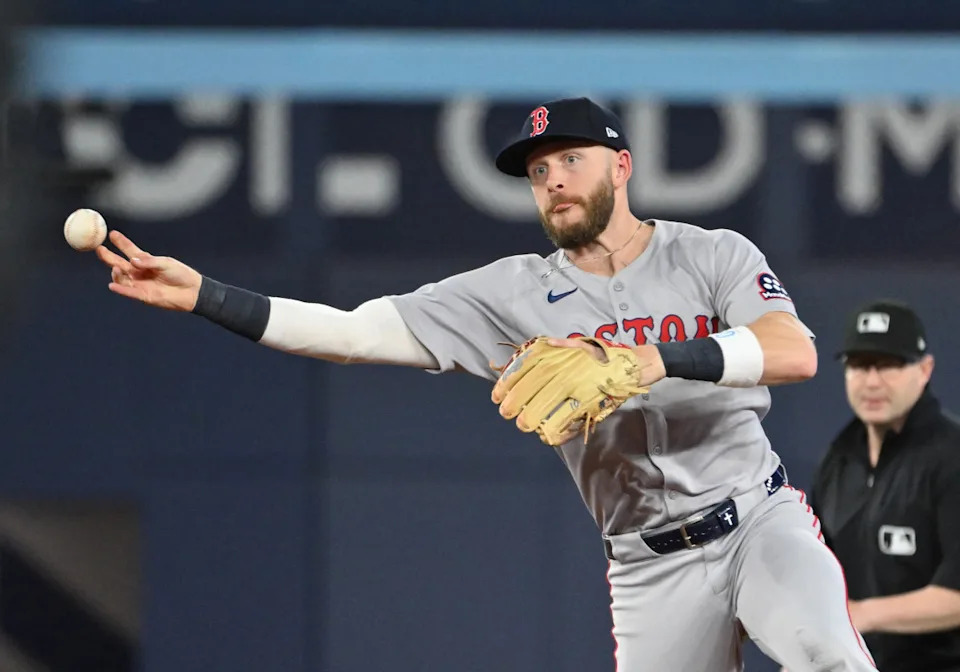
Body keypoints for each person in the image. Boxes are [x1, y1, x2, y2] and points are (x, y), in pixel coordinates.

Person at [94, 97, 876, 671]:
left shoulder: (712, 254)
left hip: (756, 520)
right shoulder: (510, 293)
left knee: (830, 659)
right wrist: (205, 294)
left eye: (571, 159)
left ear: (622, 166)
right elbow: (353, 334)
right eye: (539, 171)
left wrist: (646, 361)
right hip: (647, 563)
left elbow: (792, 351)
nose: (554, 180)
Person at [811, 300, 960, 671]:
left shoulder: (951, 457)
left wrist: (860, 615)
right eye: (860, 366)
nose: (872, 381)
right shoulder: (838, 460)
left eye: (890, 364)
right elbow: (816, 574)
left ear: (925, 369)